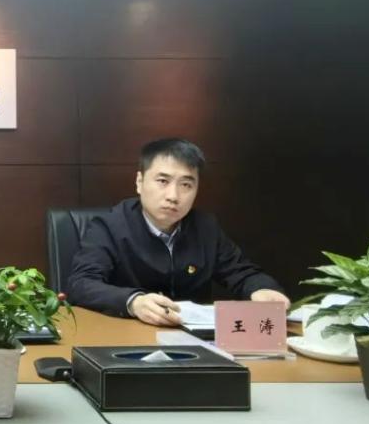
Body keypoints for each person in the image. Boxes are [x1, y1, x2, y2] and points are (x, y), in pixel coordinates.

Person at [66, 138, 289, 326]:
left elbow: (241, 272)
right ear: (139, 182)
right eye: (163, 181)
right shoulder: (110, 226)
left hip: (195, 342)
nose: (173, 196)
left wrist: (262, 289)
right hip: (127, 338)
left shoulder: (205, 228)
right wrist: (133, 302)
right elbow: (81, 284)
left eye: (186, 185)